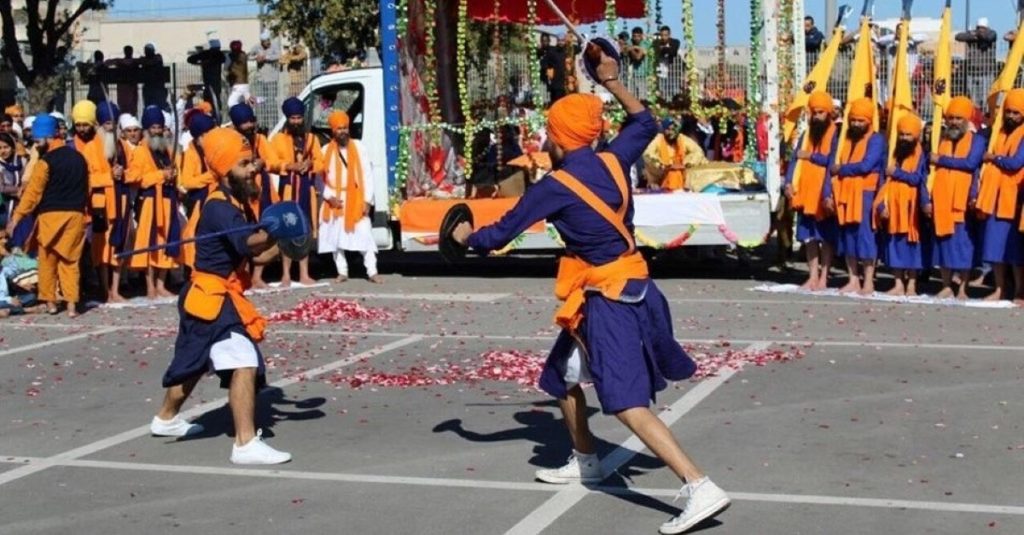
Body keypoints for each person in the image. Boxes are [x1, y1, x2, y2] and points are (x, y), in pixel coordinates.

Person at [451, 52, 729, 535]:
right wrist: (612, 80)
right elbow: (645, 122)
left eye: (548, 134)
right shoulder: (614, 159)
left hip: (610, 297)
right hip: (630, 284)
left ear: (558, 140)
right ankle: (587, 461)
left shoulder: (556, 185)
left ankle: (698, 485)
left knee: (624, 401)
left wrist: (462, 238)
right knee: (561, 375)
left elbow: (499, 234)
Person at [150, 126, 291, 465]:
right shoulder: (219, 208)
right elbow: (251, 244)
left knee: (195, 363)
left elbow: (257, 255)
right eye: (244, 164)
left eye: (252, 161)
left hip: (215, 295)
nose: (253, 168)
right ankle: (245, 443)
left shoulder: (236, 202)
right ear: (225, 170)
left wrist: (286, 242)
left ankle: (165, 419)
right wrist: (276, 231)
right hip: (210, 296)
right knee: (244, 360)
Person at [5, 114, 88, 317]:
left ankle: (50, 302)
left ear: (46, 136)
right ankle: (71, 305)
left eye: (37, 140)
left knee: (48, 260)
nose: (36, 144)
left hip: (51, 216)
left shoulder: (45, 161)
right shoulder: (79, 158)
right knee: (70, 261)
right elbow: (88, 187)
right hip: (76, 215)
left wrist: (16, 218)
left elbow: (32, 193)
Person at [924, 96, 982, 300]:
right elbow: (929, 170)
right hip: (941, 200)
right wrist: (927, 200)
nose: (954, 122)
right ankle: (946, 285)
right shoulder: (941, 139)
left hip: (963, 202)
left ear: (967, 119)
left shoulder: (977, 141)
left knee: (963, 246)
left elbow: (970, 164)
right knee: (943, 245)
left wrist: (941, 160)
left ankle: (963, 288)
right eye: (951, 118)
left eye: (959, 118)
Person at [71, 100, 126, 302]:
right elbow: (86, 178)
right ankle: (105, 290)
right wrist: (110, 176)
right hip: (101, 205)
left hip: (120, 201)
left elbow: (133, 171)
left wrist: (124, 174)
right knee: (102, 249)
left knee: (118, 246)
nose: (111, 127)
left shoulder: (121, 145)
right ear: (100, 125)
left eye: (114, 123)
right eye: (107, 124)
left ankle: (116, 289)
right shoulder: (91, 147)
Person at [784, 91, 840, 290]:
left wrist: (810, 156)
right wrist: (788, 183)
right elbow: (794, 159)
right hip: (804, 194)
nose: (816, 116)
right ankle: (812, 276)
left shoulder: (835, 135)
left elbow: (832, 162)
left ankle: (824, 277)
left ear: (829, 113)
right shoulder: (806, 134)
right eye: (814, 112)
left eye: (820, 112)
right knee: (809, 239)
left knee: (826, 238)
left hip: (823, 194)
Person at [318, 111, 380, 284]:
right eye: (339, 129)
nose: (343, 131)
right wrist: (329, 197)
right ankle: (342, 271)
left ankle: (372, 271)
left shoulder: (359, 147)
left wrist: (368, 200)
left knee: (365, 235)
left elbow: (367, 175)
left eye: (345, 128)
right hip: (335, 200)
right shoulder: (325, 151)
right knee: (335, 239)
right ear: (333, 131)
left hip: (356, 198)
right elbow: (319, 180)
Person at [125, 106, 181, 299]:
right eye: (153, 127)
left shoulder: (168, 150)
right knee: (150, 243)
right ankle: (150, 286)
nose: (157, 131)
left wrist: (173, 175)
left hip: (168, 199)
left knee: (166, 241)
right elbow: (137, 178)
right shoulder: (141, 151)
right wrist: (161, 175)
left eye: (159, 127)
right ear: (147, 129)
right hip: (150, 202)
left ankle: (161, 284)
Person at [832, 97, 885, 295]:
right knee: (848, 237)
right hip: (846, 193)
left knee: (865, 237)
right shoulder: (845, 139)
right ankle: (853, 279)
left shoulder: (876, 139)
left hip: (866, 194)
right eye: (853, 120)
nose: (856, 124)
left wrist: (842, 170)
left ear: (869, 121)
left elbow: (866, 166)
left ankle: (868, 281)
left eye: (860, 121)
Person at [269, 97, 322, 287]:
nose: (297, 122)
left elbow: (321, 162)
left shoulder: (312, 139)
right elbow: (271, 163)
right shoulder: (278, 139)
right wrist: (288, 166)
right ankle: (285, 274)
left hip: (307, 188)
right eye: (293, 118)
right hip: (288, 189)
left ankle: (304, 274)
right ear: (287, 118)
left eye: (299, 118)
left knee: (304, 229)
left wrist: (310, 164)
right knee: (287, 229)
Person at [977, 89, 1024, 303]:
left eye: (1016, 113)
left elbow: (1016, 163)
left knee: (1014, 250)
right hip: (994, 197)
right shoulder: (999, 132)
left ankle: (1020, 290)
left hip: (1014, 199)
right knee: (994, 248)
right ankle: (999, 289)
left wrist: (994, 158)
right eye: (1009, 112)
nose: (1011, 116)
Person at [877, 113, 926, 297]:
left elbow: (918, 179)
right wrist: (881, 205)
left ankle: (911, 284)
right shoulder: (892, 152)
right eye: (902, 134)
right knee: (894, 244)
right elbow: (883, 178)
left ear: (916, 136)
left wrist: (897, 173)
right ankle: (898, 283)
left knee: (912, 245)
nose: (904, 138)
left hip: (911, 208)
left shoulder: (921, 154)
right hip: (892, 205)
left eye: (908, 135)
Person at [230, 103, 275, 288]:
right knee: (244, 232)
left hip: (261, 190)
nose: (249, 126)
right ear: (236, 125)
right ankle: (243, 274)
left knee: (264, 230)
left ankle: (257, 276)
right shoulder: (232, 142)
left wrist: (263, 162)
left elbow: (273, 160)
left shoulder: (260, 139)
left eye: (251, 121)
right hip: (242, 190)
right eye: (244, 123)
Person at [179, 113, 219, 270]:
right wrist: (211, 176)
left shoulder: (215, 149)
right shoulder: (191, 153)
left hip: (217, 198)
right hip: (199, 202)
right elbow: (187, 182)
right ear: (200, 137)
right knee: (194, 235)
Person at [642, 118, 703, 191]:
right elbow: (648, 153)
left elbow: (697, 151)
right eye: (668, 129)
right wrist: (662, 165)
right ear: (664, 130)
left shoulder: (682, 138)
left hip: (682, 171)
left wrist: (687, 164)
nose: (671, 132)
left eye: (674, 130)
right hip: (661, 173)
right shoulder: (658, 139)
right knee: (649, 160)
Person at [956, 18, 998, 105]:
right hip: (972, 72)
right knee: (973, 99)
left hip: (987, 73)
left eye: (983, 28)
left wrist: (976, 36)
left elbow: (989, 38)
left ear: (987, 28)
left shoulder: (992, 33)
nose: (980, 30)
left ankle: (985, 113)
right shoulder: (972, 33)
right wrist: (975, 36)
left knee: (986, 98)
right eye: (978, 28)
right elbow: (958, 36)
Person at [249, 31, 281, 113]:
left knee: (271, 99)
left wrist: (266, 57)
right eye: (265, 42)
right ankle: (263, 118)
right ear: (262, 42)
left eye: (268, 41)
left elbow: (278, 56)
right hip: (261, 78)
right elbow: (249, 56)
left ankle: (273, 117)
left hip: (272, 78)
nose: (268, 43)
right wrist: (257, 57)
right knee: (261, 99)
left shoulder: (274, 45)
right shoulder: (257, 47)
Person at [0, 132, 25, 228]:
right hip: (4, 206)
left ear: (12, 147)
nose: (3, 151)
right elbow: (2, 188)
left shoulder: (21, 161)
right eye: (0, 148)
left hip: (21, 202)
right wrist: (18, 190)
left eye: (6, 147)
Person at [139, 43, 169, 110]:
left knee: (160, 106)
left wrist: (145, 62)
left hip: (158, 88)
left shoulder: (158, 57)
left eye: (148, 51)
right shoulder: (145, 59)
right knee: (148, 106)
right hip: (149, 88)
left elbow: (152, 61)